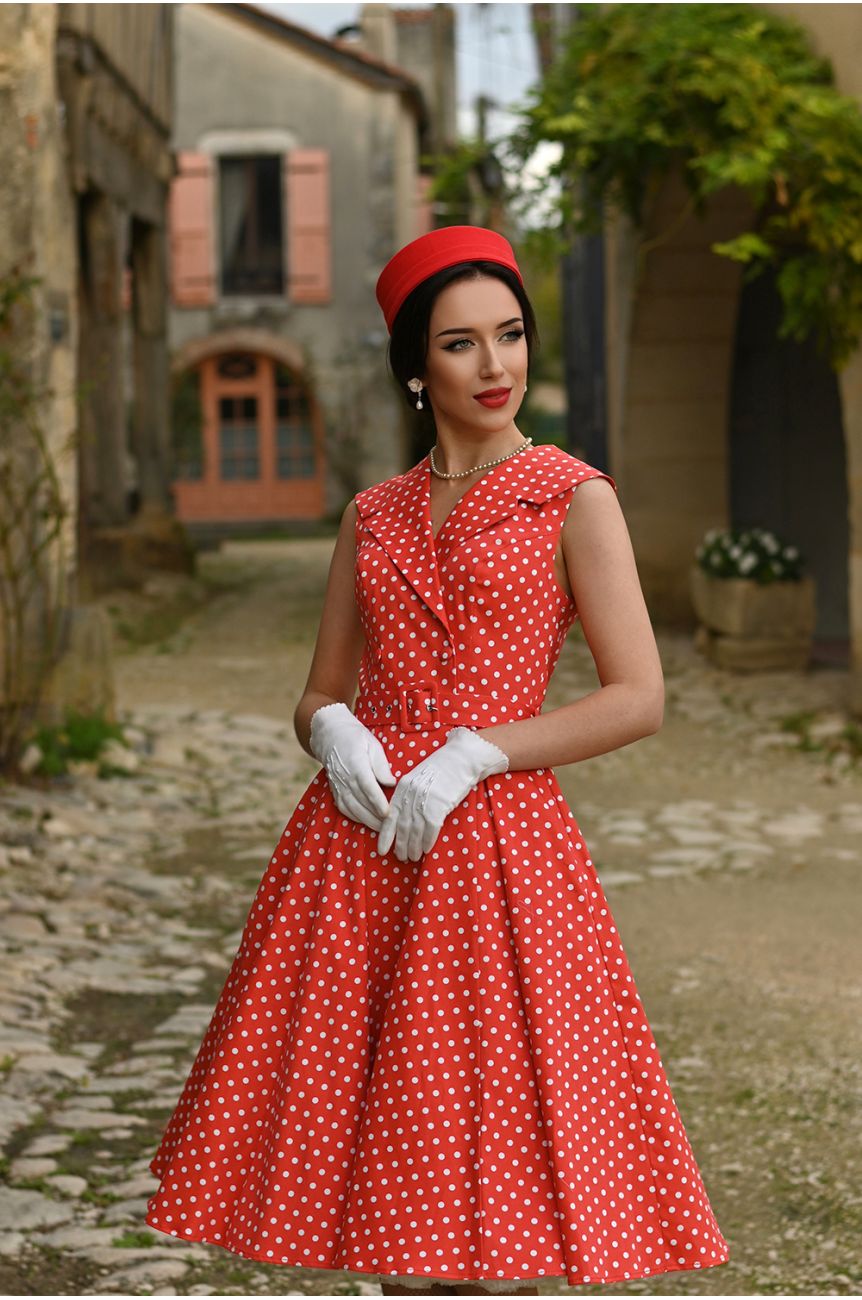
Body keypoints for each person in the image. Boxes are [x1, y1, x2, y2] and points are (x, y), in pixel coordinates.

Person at [144, 226, 731, 1296]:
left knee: (474, 1180)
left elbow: (638, 696)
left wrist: (480, 752)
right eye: (461, 344)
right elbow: (318, 689)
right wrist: (332, 730)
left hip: (496, 852)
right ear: (417, 366)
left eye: (510, 335)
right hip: (359, 849)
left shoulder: (571, 496)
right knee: (369, 1176)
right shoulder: (371, 515)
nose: (495, 366)